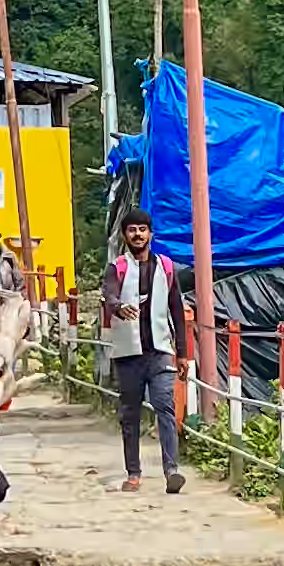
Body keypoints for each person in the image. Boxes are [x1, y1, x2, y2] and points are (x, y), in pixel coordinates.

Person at [100, 209, 186, 495]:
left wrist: (183, 353)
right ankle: (133, 473)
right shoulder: (118, 267)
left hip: (160, 351)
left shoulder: (166, 268)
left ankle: (172, 470)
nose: (137, 234)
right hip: (128, 354)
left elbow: (177, 311)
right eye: (132, 230)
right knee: (130, 414)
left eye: (142, 229)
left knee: (166, 409)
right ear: (125, 235)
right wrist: (117, 306)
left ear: (151, 233)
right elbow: (109, 294)